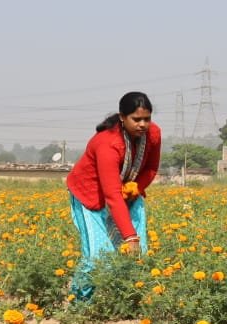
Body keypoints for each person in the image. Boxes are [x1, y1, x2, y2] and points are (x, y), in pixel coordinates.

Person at [66, 91, 162, 300]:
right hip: (92, 197)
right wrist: (129, 236)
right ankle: (79, 304)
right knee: (97, 256)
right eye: (136, 119)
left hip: (127, 192)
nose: (142, 124)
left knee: (138, 254)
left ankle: (127, 301)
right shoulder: (107, 144)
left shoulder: (153, 134)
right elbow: (111, 195)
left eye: (147, 119)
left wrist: (136, 187)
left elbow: (152, 168)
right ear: (122, 117)